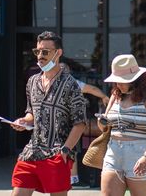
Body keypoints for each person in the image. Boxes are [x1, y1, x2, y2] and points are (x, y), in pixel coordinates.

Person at [9, 31, 87, 196]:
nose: (40, 56)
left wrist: (65, 151)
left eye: (45, 52)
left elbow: (80, 123)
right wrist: (24, 121)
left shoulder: (70, 84)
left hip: (56, 152)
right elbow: (32, 113)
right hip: (32, 151)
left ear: (58, 53)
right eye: (37, 51)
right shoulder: (32, 81)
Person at [98, 54, 146, 196]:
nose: (118, 84)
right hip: (113, 151)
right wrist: (102, 122)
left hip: (140, 151)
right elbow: (105, 128)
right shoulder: (116, 95)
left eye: (122, 81)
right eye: (116, 81)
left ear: (136, 80)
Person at [71, 69, 109, 188]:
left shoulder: (45, 82)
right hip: (68, 123)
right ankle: (73, 180)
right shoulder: (71, 82)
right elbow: (91, 89)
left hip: (52, 123)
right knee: (71, 150)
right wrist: (104, 96)